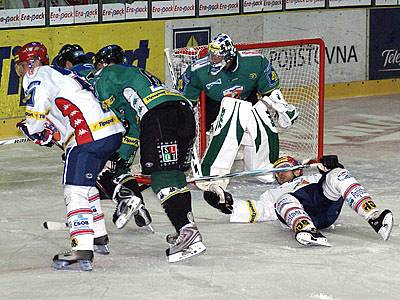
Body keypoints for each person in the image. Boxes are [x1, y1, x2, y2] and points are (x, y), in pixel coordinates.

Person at [14, 42, 126, 271]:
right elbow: (62, 118)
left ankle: (81, 248)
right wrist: (49, 134)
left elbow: (36, 116)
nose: (22, 71)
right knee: (86, 186)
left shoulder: (40, 74)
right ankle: (98, 236)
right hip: (109, 131)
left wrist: (32, 129)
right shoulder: (62, 75)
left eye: (23, 65)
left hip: (88, 136)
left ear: (32, 62)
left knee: (74, 190)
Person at [93, 53, 206, 263]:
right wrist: (122, 157)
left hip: (160, 116)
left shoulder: (105, 74)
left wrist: (105, 153)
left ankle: (188, 234)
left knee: (161, 176)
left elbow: (107, 116)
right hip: (183, 111)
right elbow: (135, 129)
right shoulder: (135, 77)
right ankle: (186, 227)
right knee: (173, 174)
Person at [179, 33, 299, 208]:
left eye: (218, 55)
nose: (213, 59)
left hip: (247, 106)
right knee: (234, 106)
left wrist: (282, 107)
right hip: (215, 114)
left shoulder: (255, 62)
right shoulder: (198, 70)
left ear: (229, 55)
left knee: (260, 111)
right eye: (211, 55)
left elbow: (270, 91)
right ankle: (213, 174)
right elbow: (186, 102)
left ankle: (264, 167)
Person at [54, 43, 153, 230]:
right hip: (126, 126)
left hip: (99, 129)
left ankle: (119, 200)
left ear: (67, 63)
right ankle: (137, 206)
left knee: (92, 170)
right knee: (119, 167)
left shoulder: (68, 77)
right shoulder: (101, 70)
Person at [224, 155, 393, 246]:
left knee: (338, 174)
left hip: (326, 205)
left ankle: (374, 216)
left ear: (297, 171)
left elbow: (338, 180)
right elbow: (259, 210)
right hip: (303, 214)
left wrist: (333, 166)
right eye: (277, 172)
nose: (280, 174)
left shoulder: (316, 175)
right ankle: (307, 230)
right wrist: (227, 205)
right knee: (283, 200)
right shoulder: (272, 193)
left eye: (284, 169)